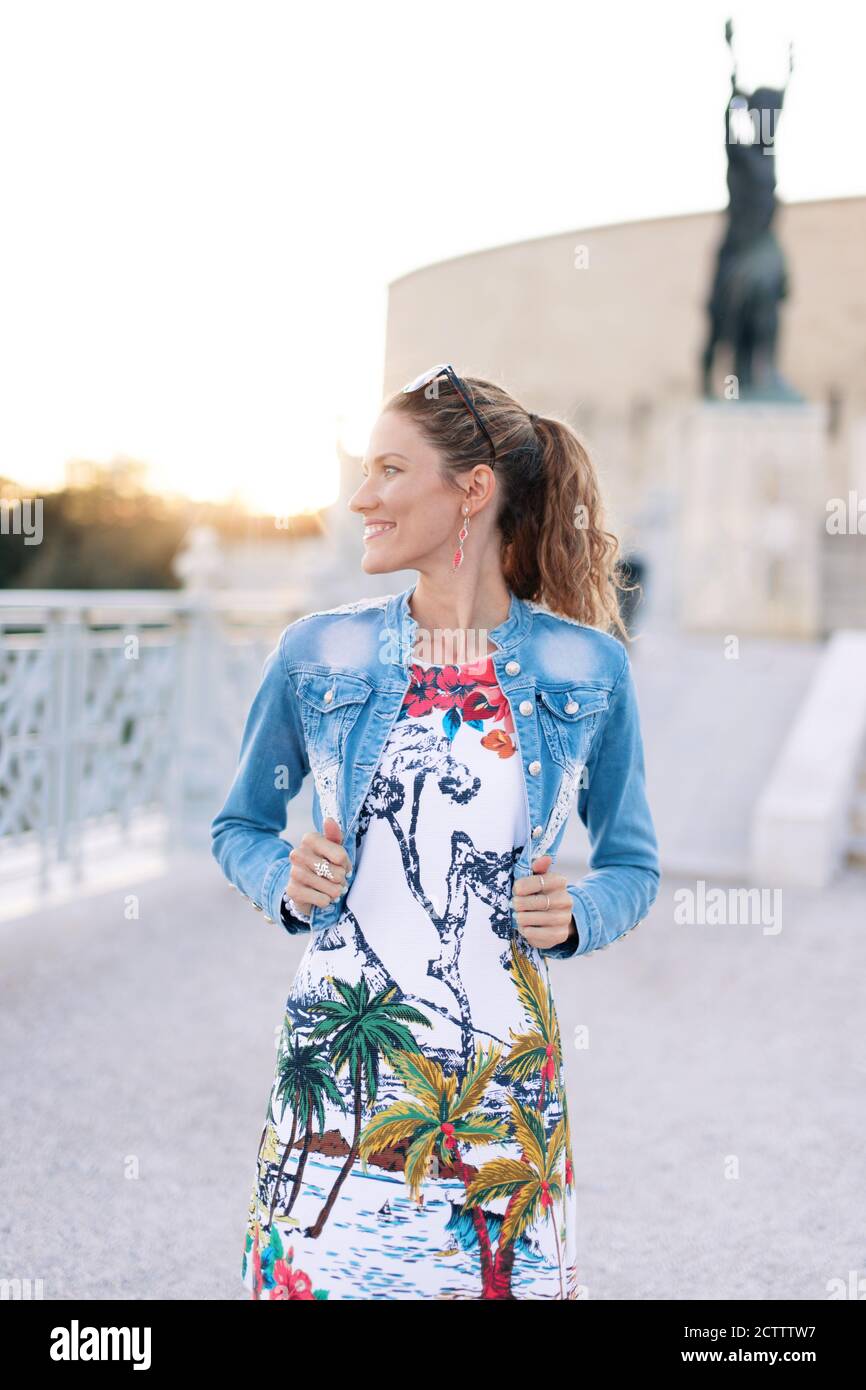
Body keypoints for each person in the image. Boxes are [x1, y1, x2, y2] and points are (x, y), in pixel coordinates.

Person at [211, 364, 660, 1300]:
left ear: (473, 492)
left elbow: (632, 861)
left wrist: (578, 912)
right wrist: (282, 880)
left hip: (503, 1079)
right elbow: (240, 825)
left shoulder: (587, 667)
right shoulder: (316, 652)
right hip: (341, 1058)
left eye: (388, 471)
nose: (361, 497)